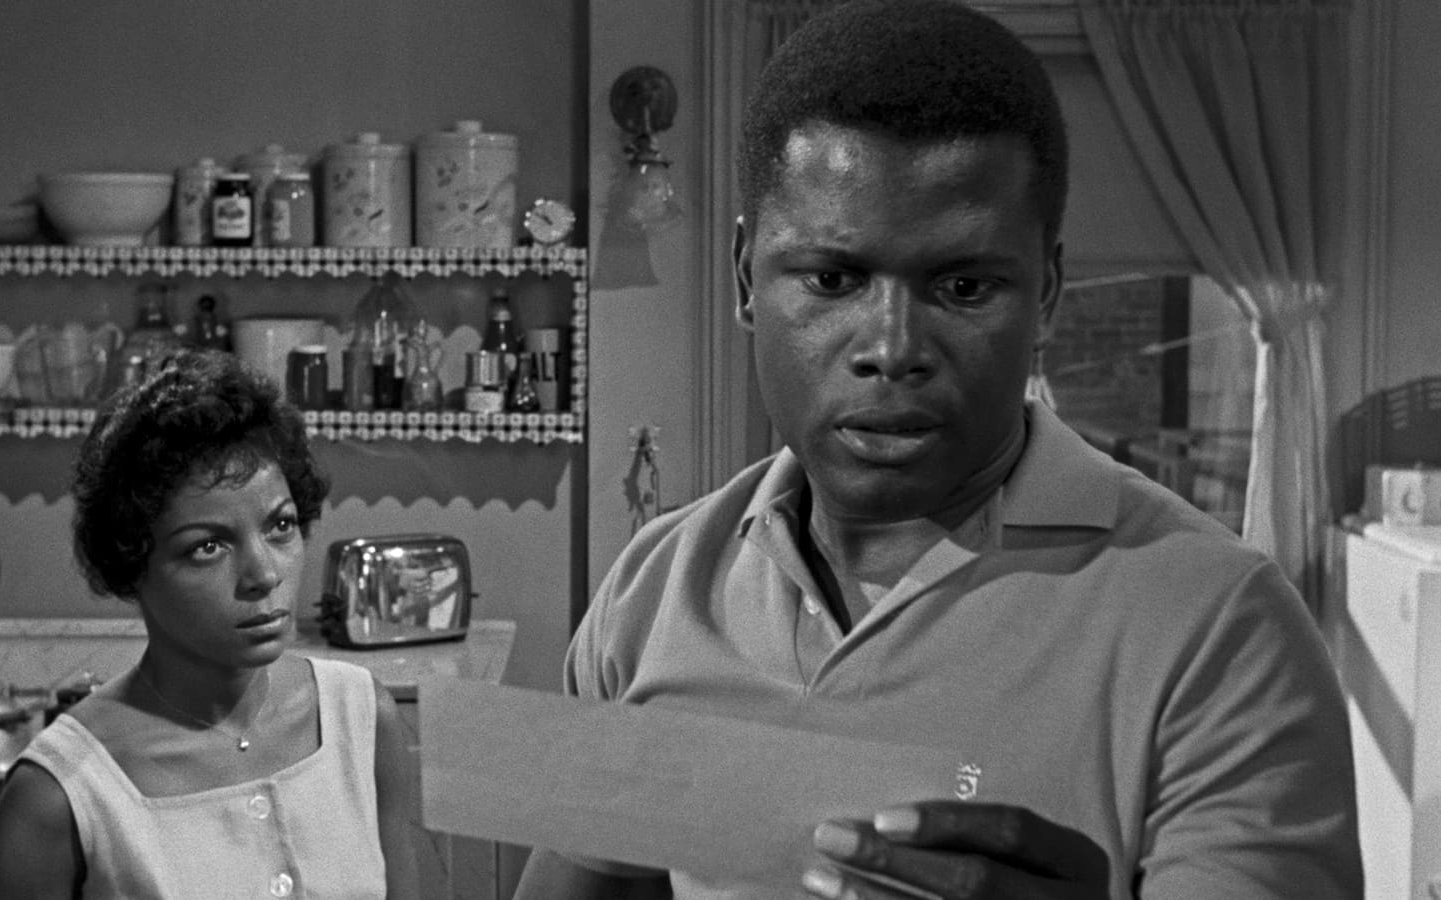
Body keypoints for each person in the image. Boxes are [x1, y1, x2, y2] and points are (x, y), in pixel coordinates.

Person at [513, 1, 1360, 898]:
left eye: (963, 286)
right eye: (832, 278)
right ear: (745, 278)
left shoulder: (1224, 631)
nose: (893, 347)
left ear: (1047, 293)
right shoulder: (653, 593)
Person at [0, 350, 419, 899]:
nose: (264, 574)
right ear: (133, 565)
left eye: (280, 526)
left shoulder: (362, 719)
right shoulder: (57, 798)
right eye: (208, 547)